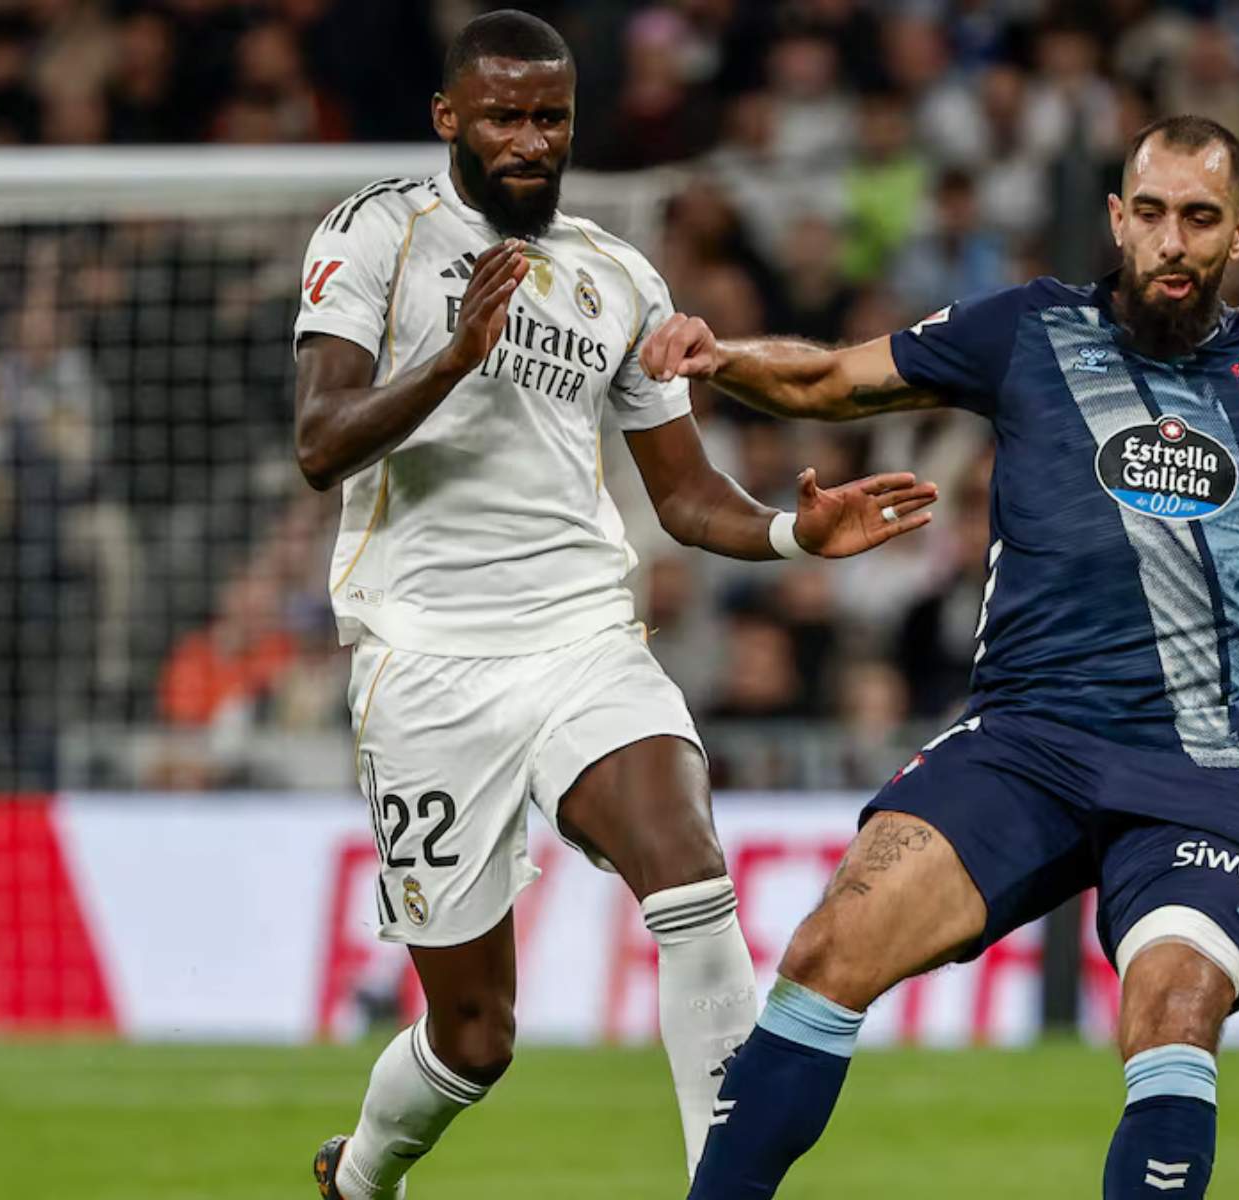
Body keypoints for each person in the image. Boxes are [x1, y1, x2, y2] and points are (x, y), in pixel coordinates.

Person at [641, 114, 1239, 1200]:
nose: (1171, 241)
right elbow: (833, 379)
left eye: (1199, 219)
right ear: (1117, 219)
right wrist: (721, 358)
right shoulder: (1028, 330)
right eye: (1151, 214)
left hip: (1198, 770)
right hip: (1028, 741)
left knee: (1171, 1014)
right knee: (830, 948)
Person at [290, 12, 936, 1199]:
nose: (530, 141)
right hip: (424, 666)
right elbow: (320, 443)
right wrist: (446, 359)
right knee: (473, 1042)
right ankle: (362, 1177)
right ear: (449, 120)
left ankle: (723, 1186)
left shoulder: (615, 277)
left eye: (551, 119)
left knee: (691, 876)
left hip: (582, 639)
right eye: (503, 117)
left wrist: (797, 530)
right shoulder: (378, 231)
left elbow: (686, 500)